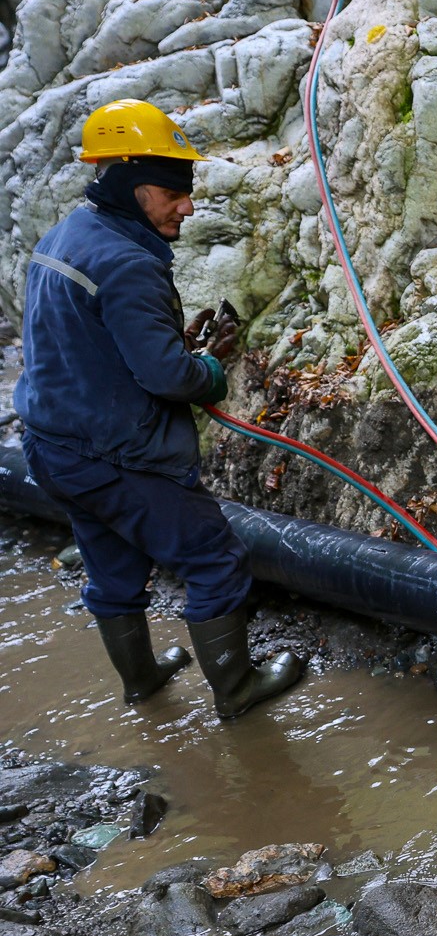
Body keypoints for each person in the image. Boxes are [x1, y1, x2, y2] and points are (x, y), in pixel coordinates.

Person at [15, 98, 302, 719]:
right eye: (174, 192)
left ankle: (142, 683)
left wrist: (172, 342)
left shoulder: (64, 236)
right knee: (214, 558)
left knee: (113, 566)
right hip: (117, 457)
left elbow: (88, 344)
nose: (188, 205)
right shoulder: (127, 262)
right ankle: (237, 692)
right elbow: (168, 377)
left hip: (52, 446)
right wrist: (210, 371)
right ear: (136, 186)